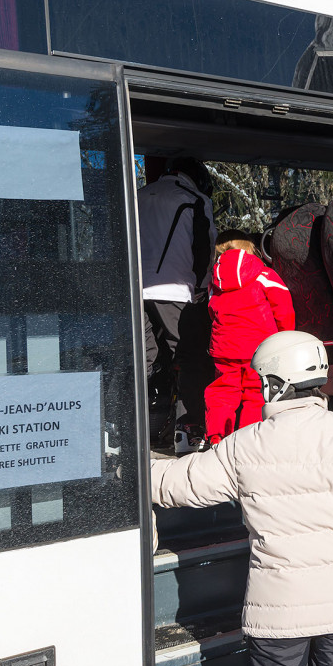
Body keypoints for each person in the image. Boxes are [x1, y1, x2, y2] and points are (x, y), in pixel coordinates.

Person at [152, 331, 333, 666]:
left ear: (276, 383)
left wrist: (131, 470)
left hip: (278, 617)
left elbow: (178, 484)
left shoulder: (245, 446)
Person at [138, 156, 217, 454]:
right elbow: (202, 248)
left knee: (146, 359)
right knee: (189, 359)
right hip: (177, 290)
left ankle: (141, 425)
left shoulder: (138, 195)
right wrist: (200, 289)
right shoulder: (193, 198)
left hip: (136, 289)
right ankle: (189, 430)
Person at [205, 230, 296, 445]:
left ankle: (217, 437)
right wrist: (285, 337)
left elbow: (212, 312)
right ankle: (248, 441)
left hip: (224, 348)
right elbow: (284, 309)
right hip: (259, 347)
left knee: (222, 392)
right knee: (256, 393)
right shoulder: (264, 275)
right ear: (250, 248)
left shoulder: (215, 282)